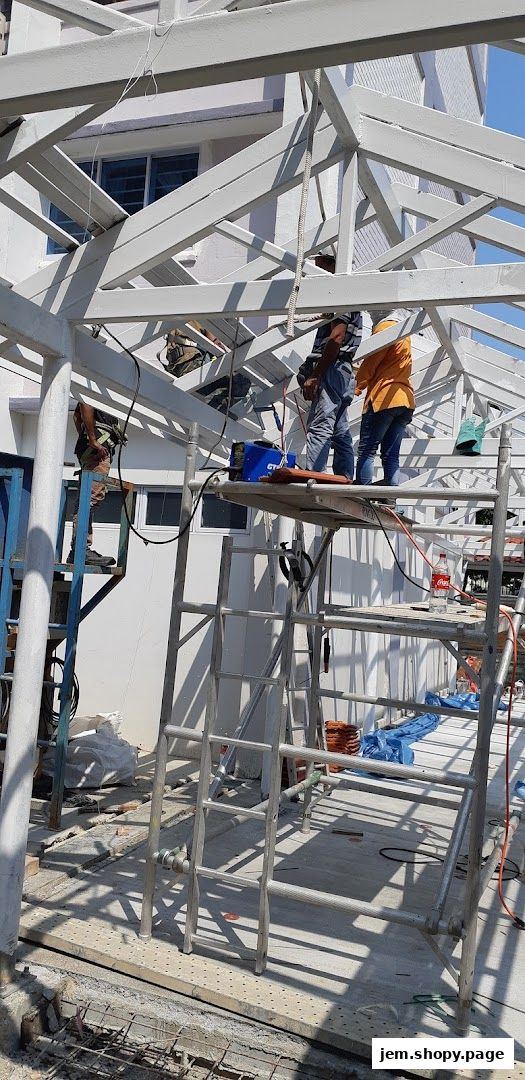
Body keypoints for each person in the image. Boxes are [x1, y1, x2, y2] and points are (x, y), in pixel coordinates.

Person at [300, 253, 362, 480]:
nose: (316, 270)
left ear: (333, 265)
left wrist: (316, 374)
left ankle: (313, 476)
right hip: (343, 371)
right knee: (339, 429)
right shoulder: (352, 296)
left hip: (332, 369)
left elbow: (336, 338)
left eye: (321, 265)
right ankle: (345, 477)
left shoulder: (340, 292)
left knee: (320, 425)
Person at [354, 310, 414, 488]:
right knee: (391, 454)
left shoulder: (386, 329)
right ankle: (390, 495)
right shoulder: (406, 334)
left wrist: (355, 388)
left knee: (367, 449)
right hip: (405, 400)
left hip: (384, 398)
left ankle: (363, 492)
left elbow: (370, 363)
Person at [67, 403, 126, 567]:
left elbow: (76, 416)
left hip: (92, 448)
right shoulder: (98, 391)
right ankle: (80, 549)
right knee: (91, 498)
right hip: (97, 450)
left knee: (87, 498)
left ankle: (80, 548)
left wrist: (87, 438)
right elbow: (86, 404)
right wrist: (93, 440)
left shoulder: (97, 390)